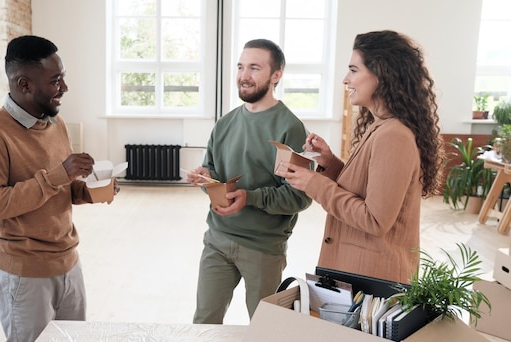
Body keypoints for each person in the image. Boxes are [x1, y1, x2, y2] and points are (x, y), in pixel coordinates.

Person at [0, 35, 115, 342]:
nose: (64, 87)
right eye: (55, 80)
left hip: (68, 265)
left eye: (62, 77)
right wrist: (57, 176)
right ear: (24, 84)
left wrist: (90, 191)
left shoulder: (56, 123)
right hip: (23, 275)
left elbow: (61, 189)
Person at [281, 30, 444, 284]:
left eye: (354, 70)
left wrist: (314, 183)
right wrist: (330, 163)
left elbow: (375, 219)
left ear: (382, 74)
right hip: (359, 272)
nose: (346, 79)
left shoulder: (393, 135)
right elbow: (369, 190)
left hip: (374, 280)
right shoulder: (380, 126)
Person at [187, 39, 312, 324]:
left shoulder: (290, 128)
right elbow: (215, 170)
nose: (244, 75)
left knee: (265, 333)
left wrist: (250, 197)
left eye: (255, 68)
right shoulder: (225, 123)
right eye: (241, 66)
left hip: (263, 248)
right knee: (204, 323)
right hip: (218, 239)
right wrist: (206, 177)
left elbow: (299, 197)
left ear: (276, 75)